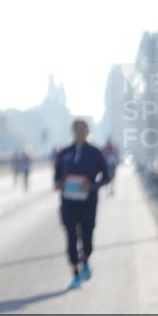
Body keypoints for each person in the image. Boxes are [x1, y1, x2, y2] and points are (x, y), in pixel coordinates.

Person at [53, 119, 109, 289]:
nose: (79, 132)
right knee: (70, 238)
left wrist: (92, 186)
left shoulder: (95, 153)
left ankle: (85, 259)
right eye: (76, 129)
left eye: (82, 129)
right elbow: (56, 175)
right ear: (72, 131)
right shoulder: (64, 153)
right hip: (68, 202)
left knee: (87, 238)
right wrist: (58, 183)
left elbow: (107, 176)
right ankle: (75, 275)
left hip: (88, 202)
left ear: (87, 131)